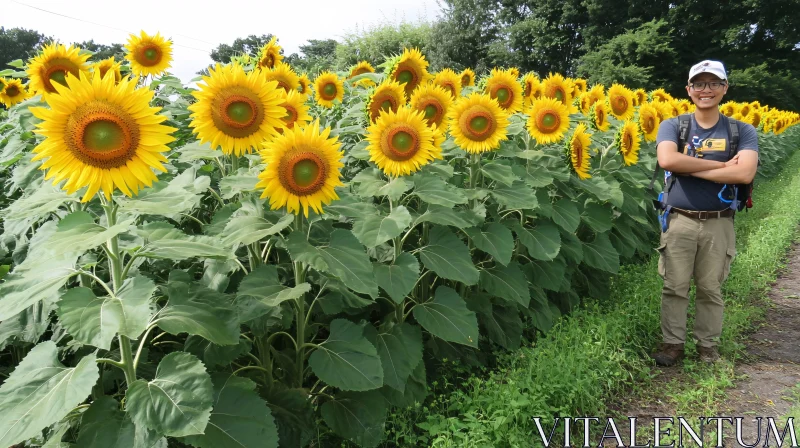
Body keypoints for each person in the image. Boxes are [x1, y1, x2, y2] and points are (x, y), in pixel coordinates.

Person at [651, 60, 759, 366]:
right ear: (689, 90)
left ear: (724, 89)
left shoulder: (742, 130)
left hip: (719, 222)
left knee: (711, 288)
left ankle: (707, 347)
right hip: (679, 219)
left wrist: (694, 166)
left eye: (713, 83)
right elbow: (668, 161)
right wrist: (725, 166)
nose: (706, 90)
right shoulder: (674, 125)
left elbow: (746, 173)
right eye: (699, 84)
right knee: (675, 286)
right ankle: (672, 344)